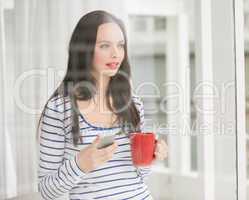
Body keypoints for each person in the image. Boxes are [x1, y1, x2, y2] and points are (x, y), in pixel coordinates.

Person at [37, 10, 168, 200]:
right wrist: (81, 164)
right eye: (105, 46)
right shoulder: (59, 109)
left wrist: (150, 155)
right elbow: (47, 191)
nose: (116, 54)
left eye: (120, 45)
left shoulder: (133, 103)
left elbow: (140, 176)